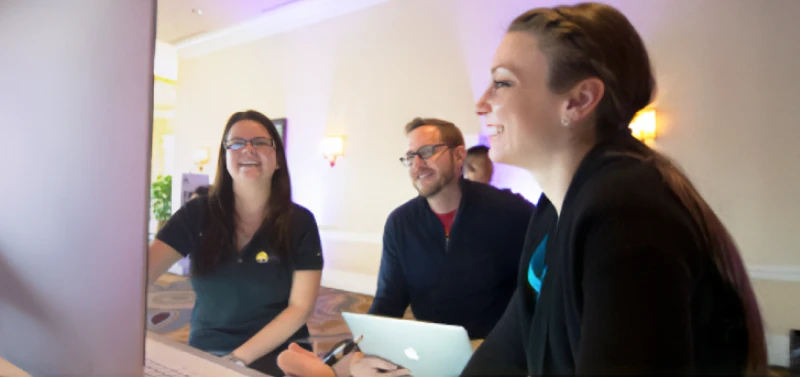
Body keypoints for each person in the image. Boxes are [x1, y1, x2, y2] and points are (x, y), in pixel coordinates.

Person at [278, 2, 767, 376]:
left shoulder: (626, 211)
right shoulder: (554, 211)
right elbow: (508, 352)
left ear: (577, 100)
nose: (482, 102)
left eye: (503, 83)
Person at [147, 110, 323, 376]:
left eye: (261, 142)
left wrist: (237, 360)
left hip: (280, 350)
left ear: (277, 159)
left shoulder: (300, 222)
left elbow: (300, 308)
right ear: (225, 157)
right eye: (237, 143)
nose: (248, 149)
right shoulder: (197, 213)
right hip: (208, 348)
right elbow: (138, 277)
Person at [368, 117, 534, 340]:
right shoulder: (400, 223)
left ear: (458, 155)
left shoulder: (510, 211)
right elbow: (388, 300)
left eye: (427, 152)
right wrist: (365, 349)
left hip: (500, 348)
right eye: (410, 157)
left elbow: (542, 289)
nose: (417, 164)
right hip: (433, 347)